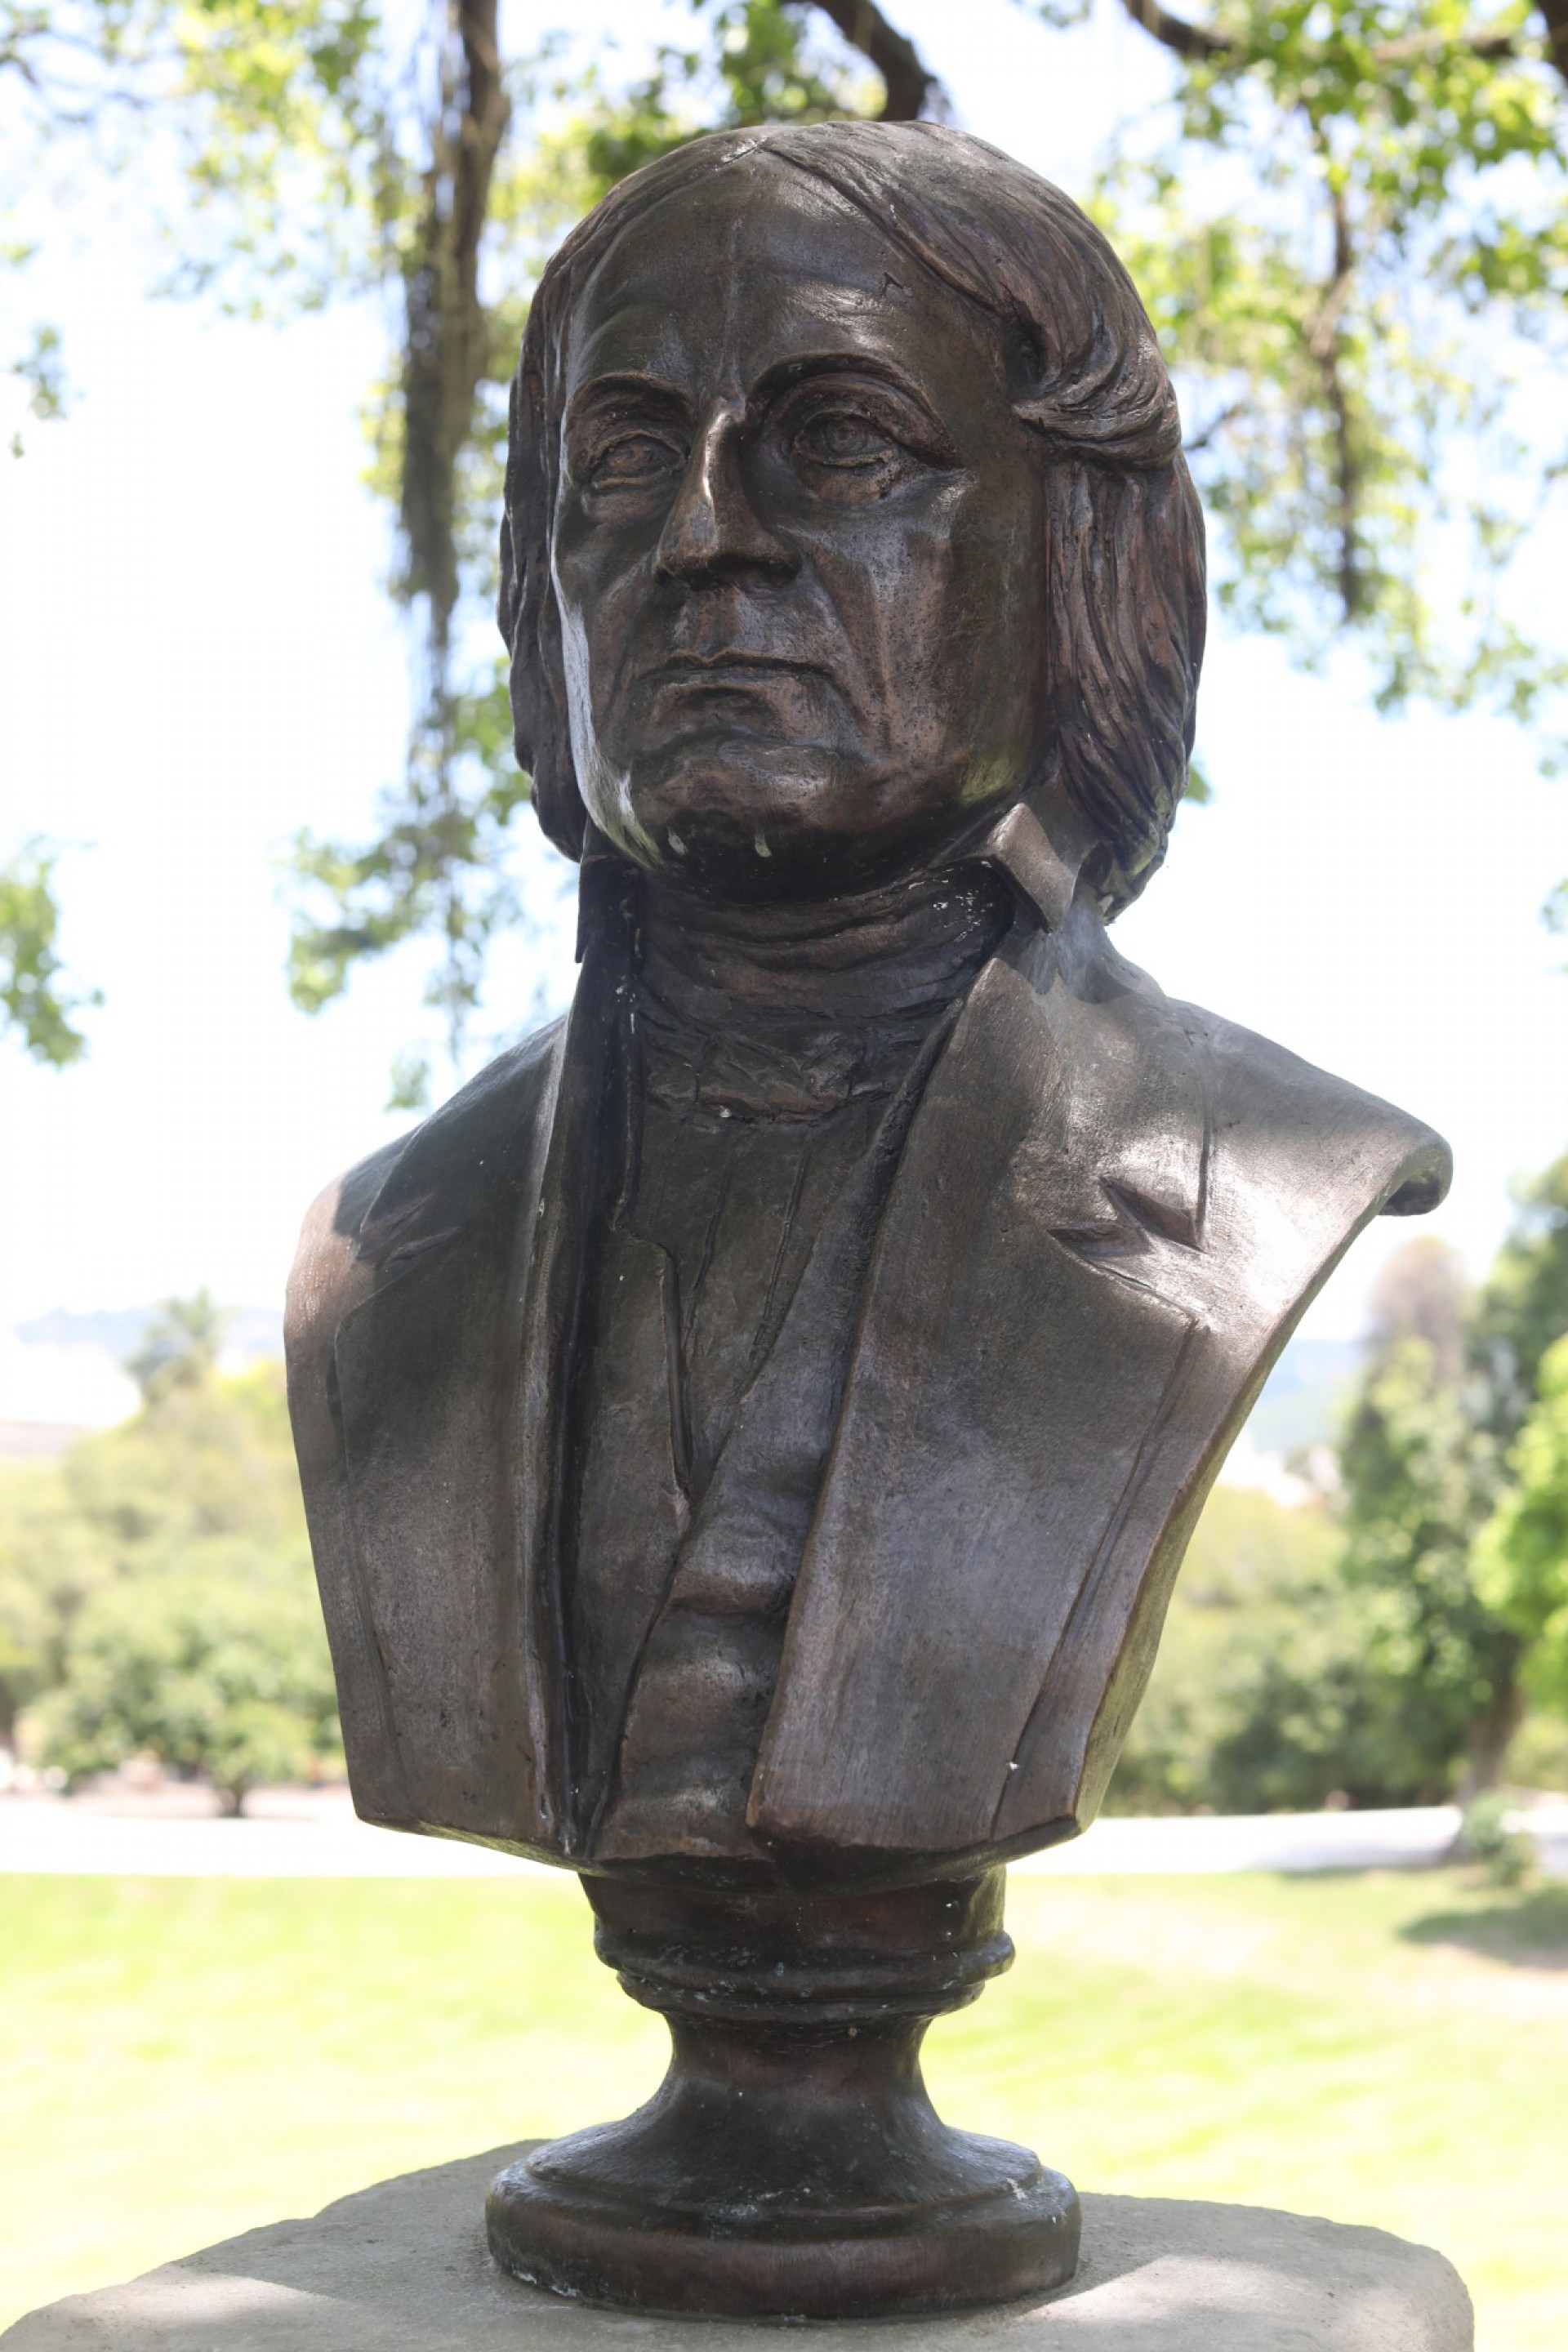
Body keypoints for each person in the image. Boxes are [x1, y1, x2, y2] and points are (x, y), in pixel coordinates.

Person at [286, 122, 1450, 1888]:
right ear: (544, 578)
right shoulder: (383, 1251)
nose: (703, 537)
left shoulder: (1261, 1176)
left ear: (1080, 548)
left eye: (842, 442)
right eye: (626, 456)